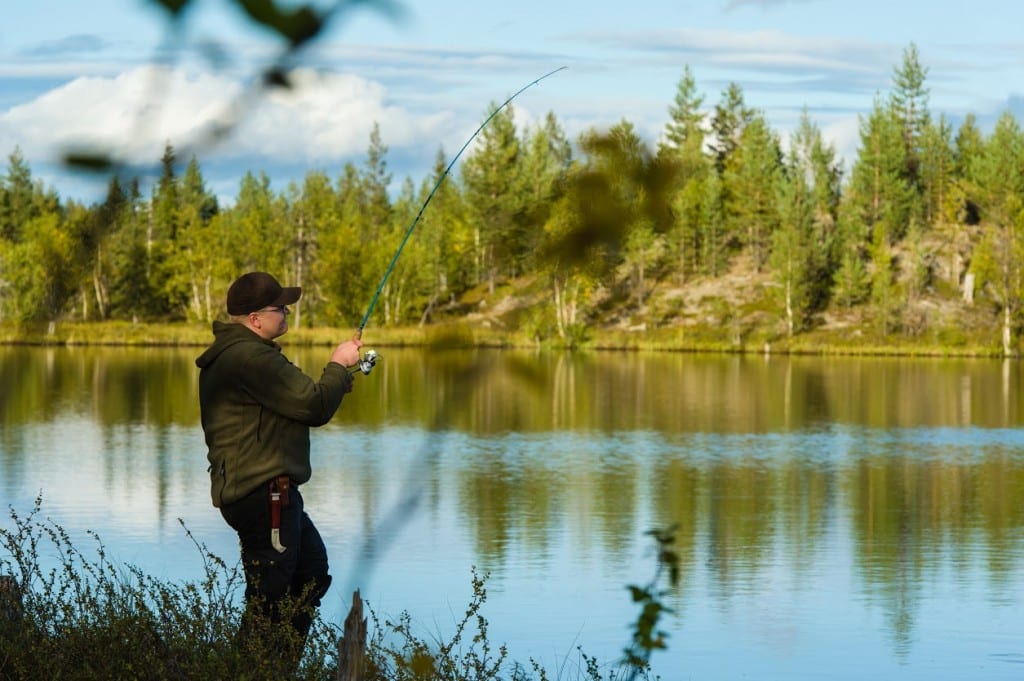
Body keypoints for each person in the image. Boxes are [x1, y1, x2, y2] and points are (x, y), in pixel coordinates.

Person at [195, 271, 362, 670]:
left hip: (272, 493)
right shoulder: (251, 358)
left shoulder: (241, 354)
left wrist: (335, 383)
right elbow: (313, 407)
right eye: (279, 307)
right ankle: (257, 670)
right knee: (269, 602)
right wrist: (339, 364)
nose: (286, 311)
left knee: (310, 573)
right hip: (264, 495)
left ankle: (278, 667)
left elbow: (297, 403)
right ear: (254, 318)